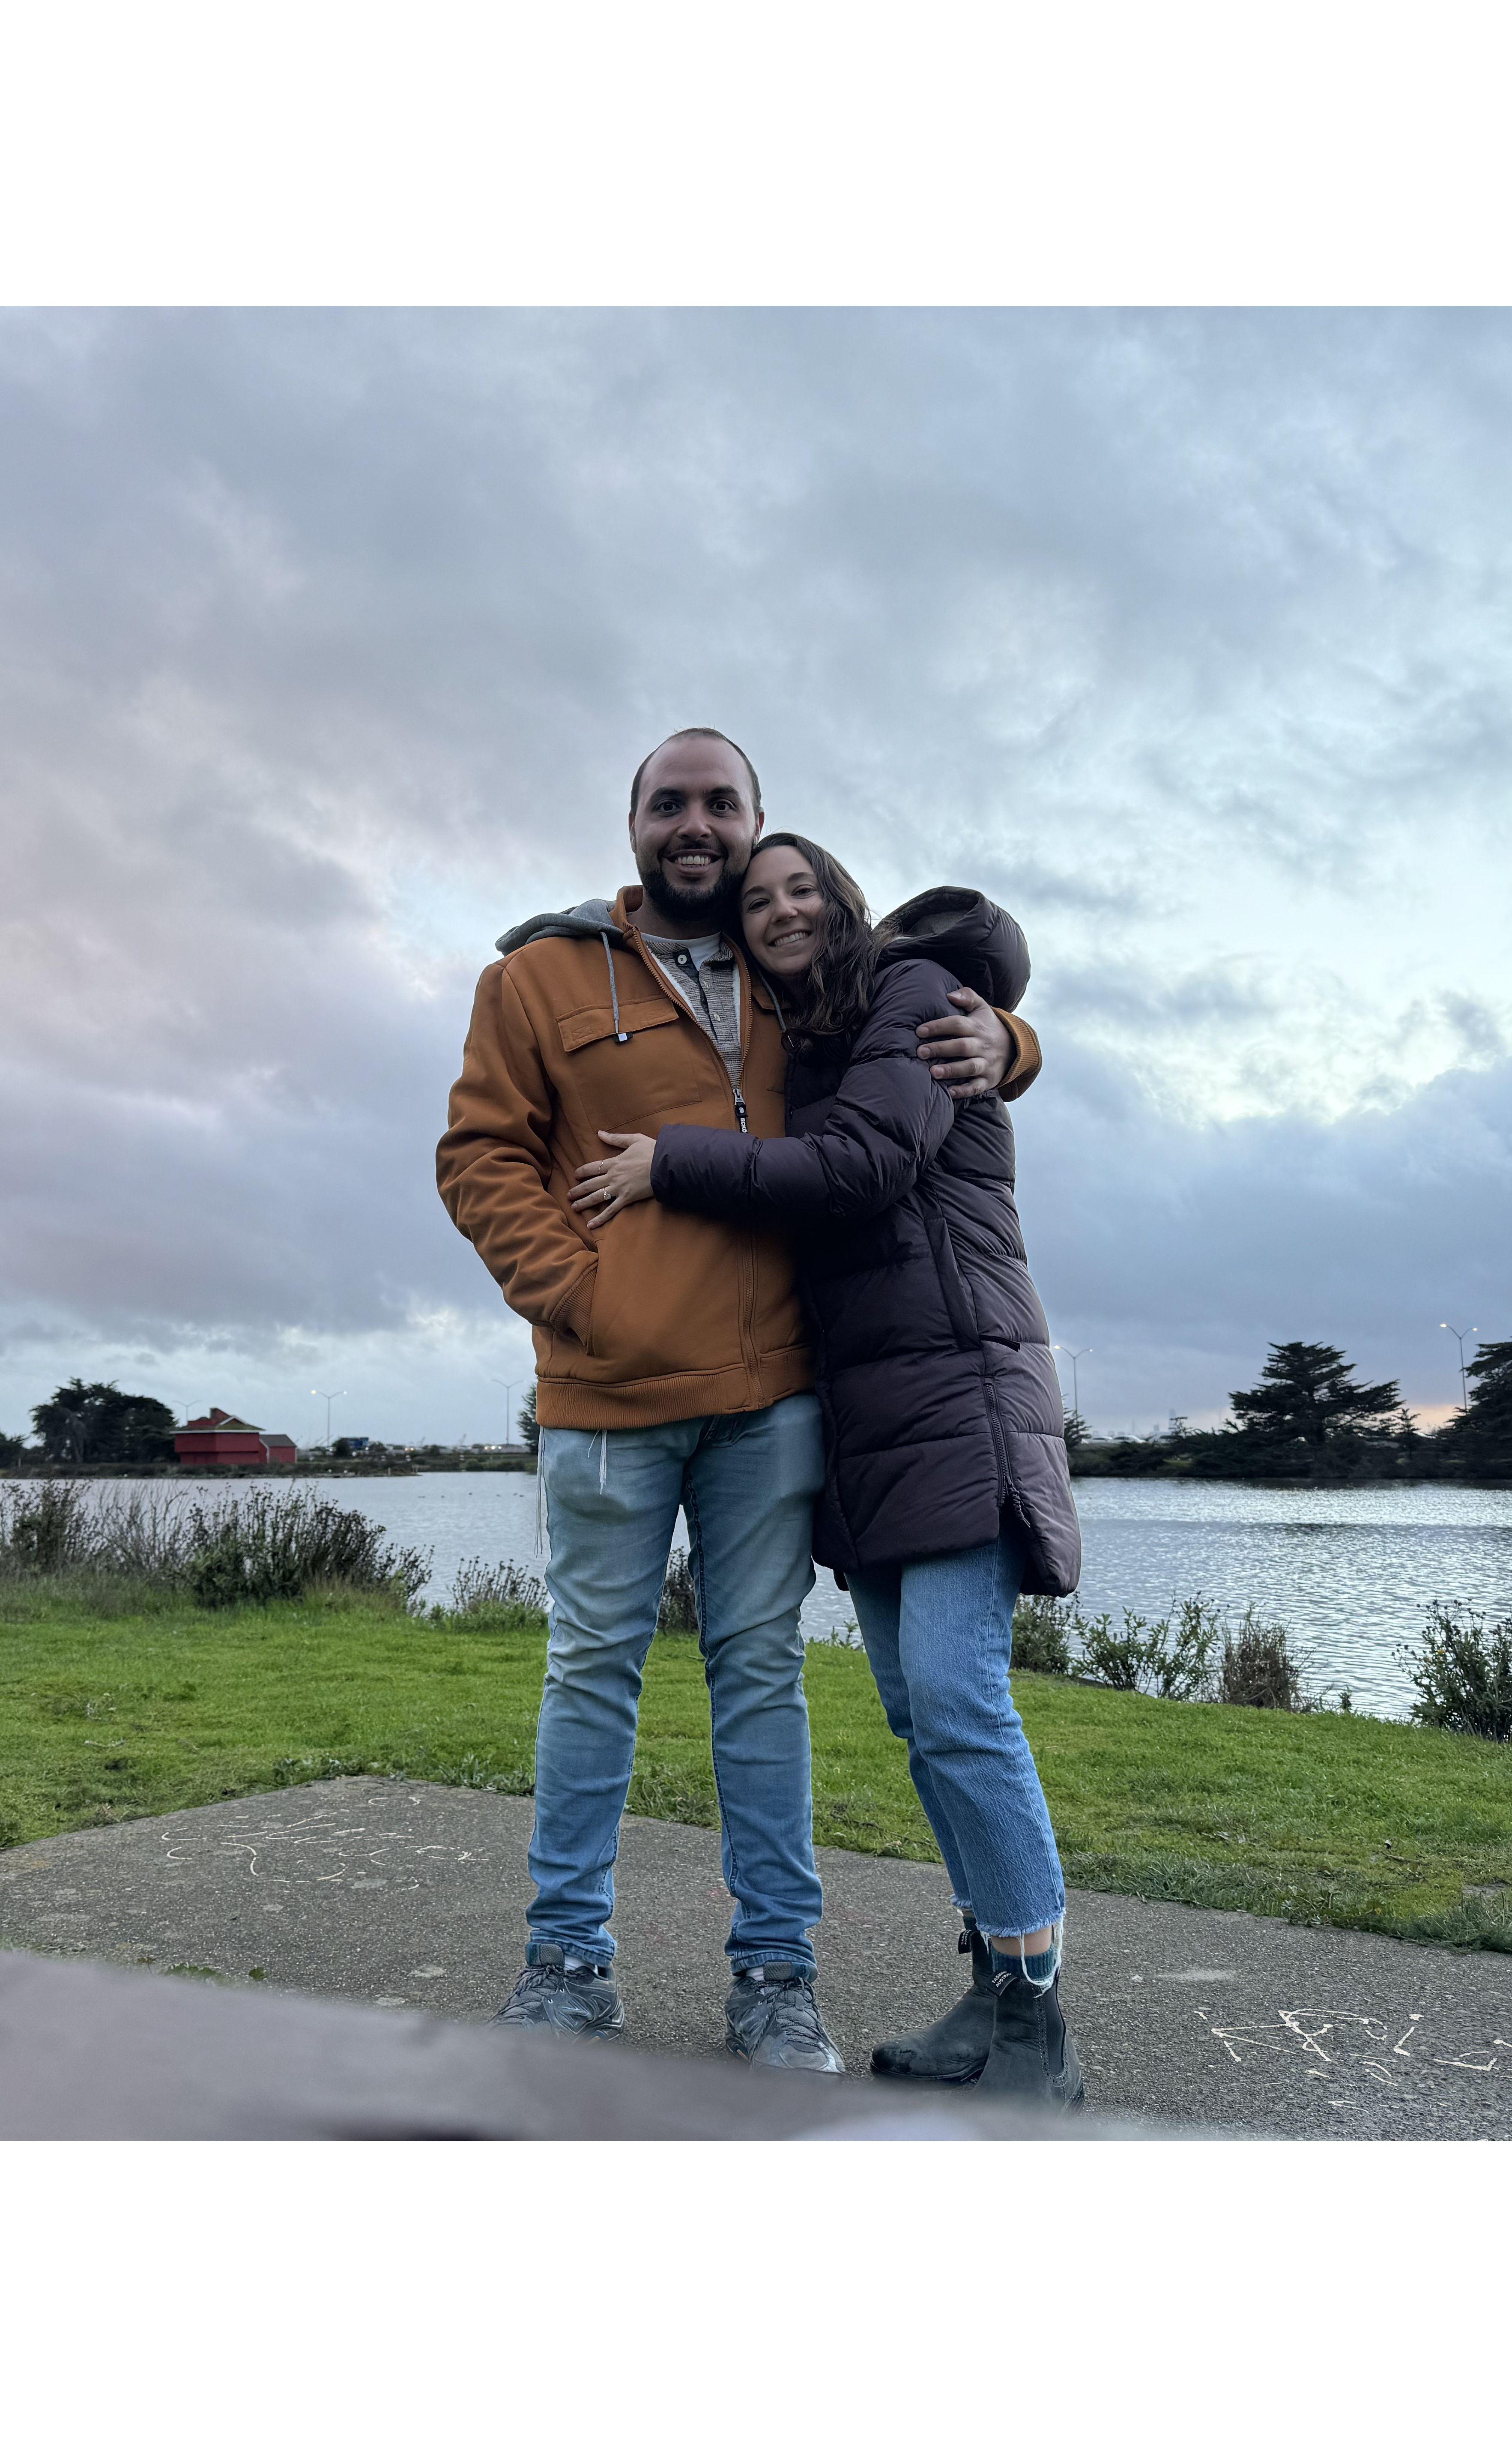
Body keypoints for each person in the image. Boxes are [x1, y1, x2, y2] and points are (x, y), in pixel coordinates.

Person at [434, 729, 1040, 2072]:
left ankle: (778, 1977)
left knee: (760, 1680)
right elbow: (481, 1157)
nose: (694, 826)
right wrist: (583, 1295)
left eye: (722, 804)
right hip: (600, 1397)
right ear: (634, 826)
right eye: (670, 805)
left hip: (773, 1399)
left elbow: (921, 1017)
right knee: (590, 1673)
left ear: (759, 820)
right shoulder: (534, 977)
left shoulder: (800, 971)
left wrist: (1013, 1038)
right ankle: (567, 1964)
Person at [566, 831, 1085, 2108]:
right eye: (762, 900)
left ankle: (1039, 2029)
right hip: (875, 1419)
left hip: (957, 1392)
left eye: (805, 889)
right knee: (918, 1713)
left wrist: (663, 1163)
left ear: (847, 905)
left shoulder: (908, 998)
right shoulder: (815, 1035)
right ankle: (992, 1985)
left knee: (962, 1701)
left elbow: (861, 1168)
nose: (785, 910)